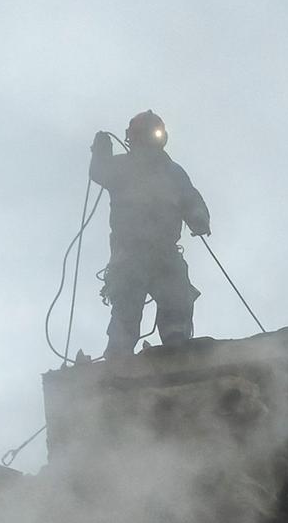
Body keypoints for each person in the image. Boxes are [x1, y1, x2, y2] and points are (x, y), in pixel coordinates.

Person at [89, 111, 210, 359]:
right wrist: (100, 151)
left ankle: (176, 348)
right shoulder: (123, 167)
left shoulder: (172, 172)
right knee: (127, 305)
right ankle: (119, 355)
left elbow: (190, 196)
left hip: (164, 251)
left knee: (176, 299)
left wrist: (199, 217)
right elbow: (100, 172)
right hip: (131, 253)